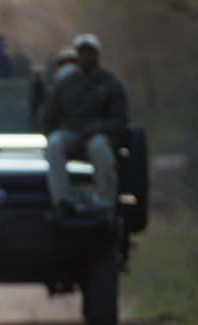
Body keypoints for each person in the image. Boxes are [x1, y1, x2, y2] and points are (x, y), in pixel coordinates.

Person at [43, 34, 128, 216]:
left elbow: (121, 120)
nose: (86, 57)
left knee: (99, 148)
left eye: (90, 52)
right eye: (82, 53)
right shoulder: (66, 84)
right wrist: (52, 132)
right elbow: (49, 116)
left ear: (98, 55)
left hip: (97, 135)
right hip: (70, 133)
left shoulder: (110, 83)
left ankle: (106, 204)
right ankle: (62, 201)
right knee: (54, 143)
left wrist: (100, 128)